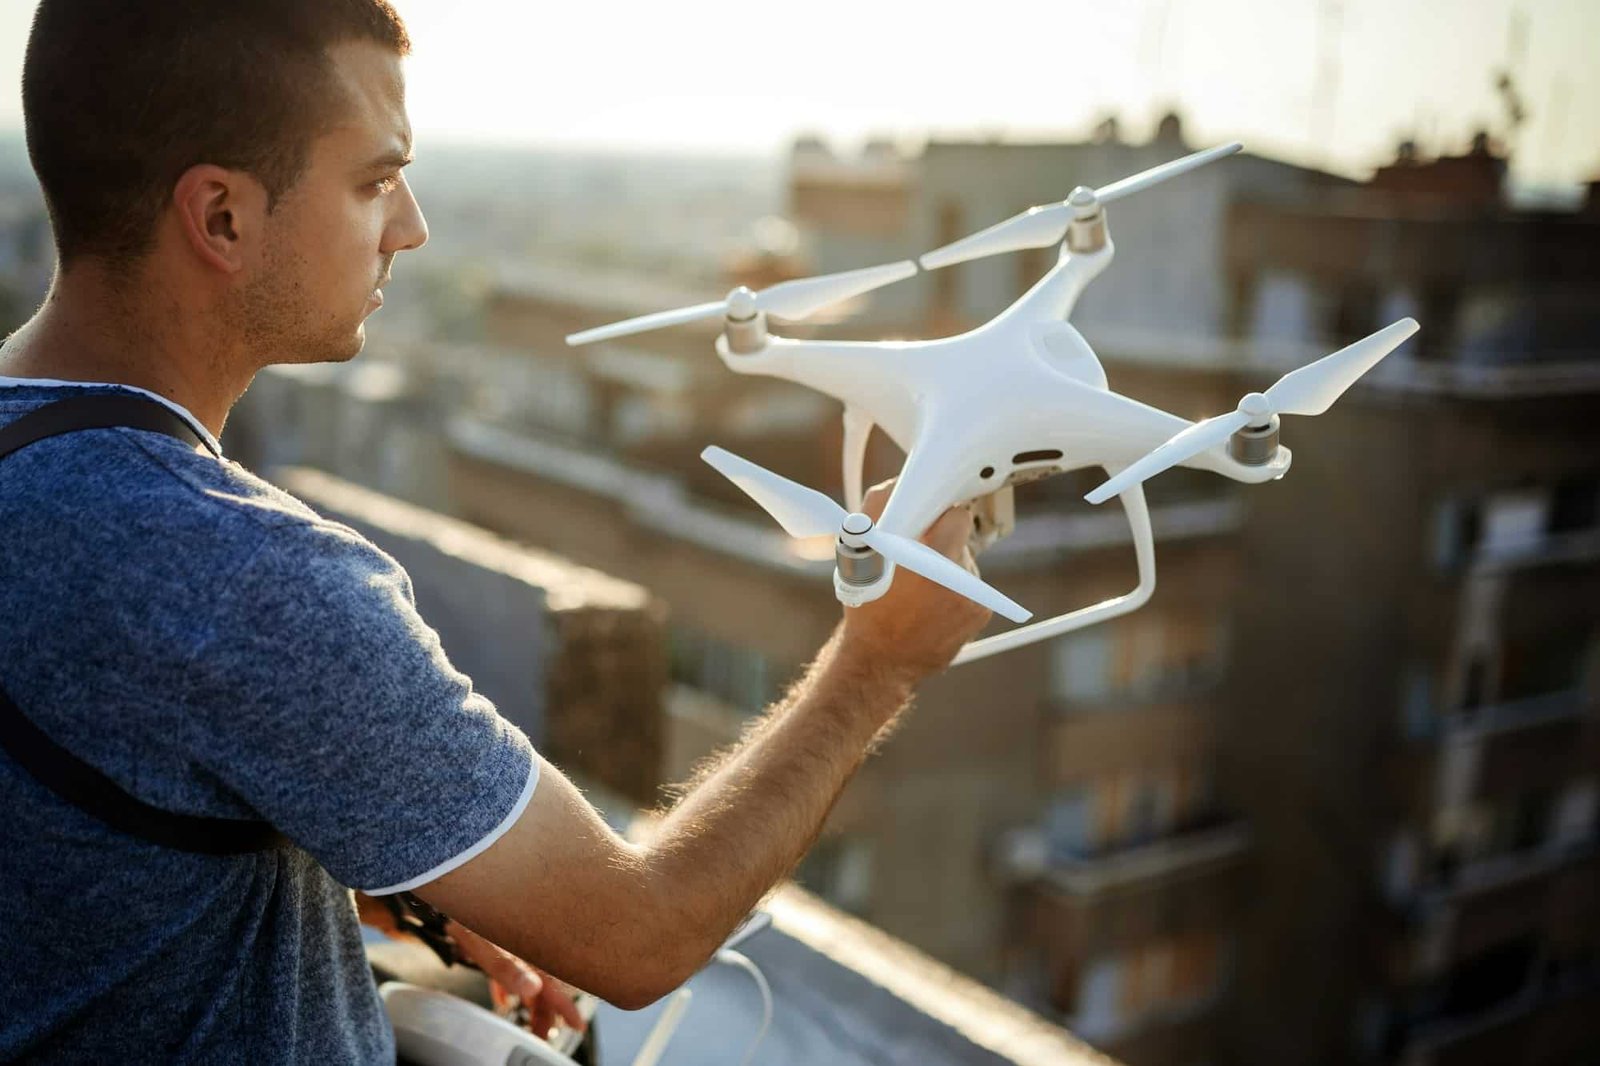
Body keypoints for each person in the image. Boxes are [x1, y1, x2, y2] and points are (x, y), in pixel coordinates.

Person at [0, 2, 993, 1063]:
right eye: (374, 181)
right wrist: (876, 663)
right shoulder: (244, 581)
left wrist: (374, 865)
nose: (411, 225)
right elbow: (638, 931)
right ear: (223, 219)